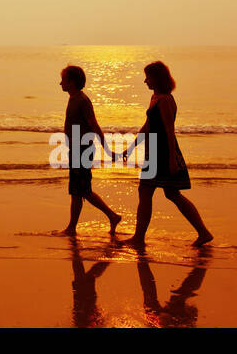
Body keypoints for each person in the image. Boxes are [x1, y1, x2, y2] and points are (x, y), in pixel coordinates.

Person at [123, 61, 213, 248]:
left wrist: (172, 159)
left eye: (148, 77)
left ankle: (139, 238)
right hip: (153, 152)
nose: (145, 81)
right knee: (167, 193)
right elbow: (147, 127)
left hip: (163, 153)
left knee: (155, 192)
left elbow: (169, 130)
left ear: (157, 78)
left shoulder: (164, 100)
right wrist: (131, 148)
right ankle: (203, 232)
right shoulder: (155, 97)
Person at [59, 65, 122, 235]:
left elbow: (94, 125)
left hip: (83, 150)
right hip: (76, 149)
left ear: (71, 82)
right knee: (76, 191)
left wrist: (107, 149)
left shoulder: (82, 100)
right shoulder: (73, 98)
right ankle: (72, 227)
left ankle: (111, 216)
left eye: (63, 79)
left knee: (82, 190)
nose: (60, 83)